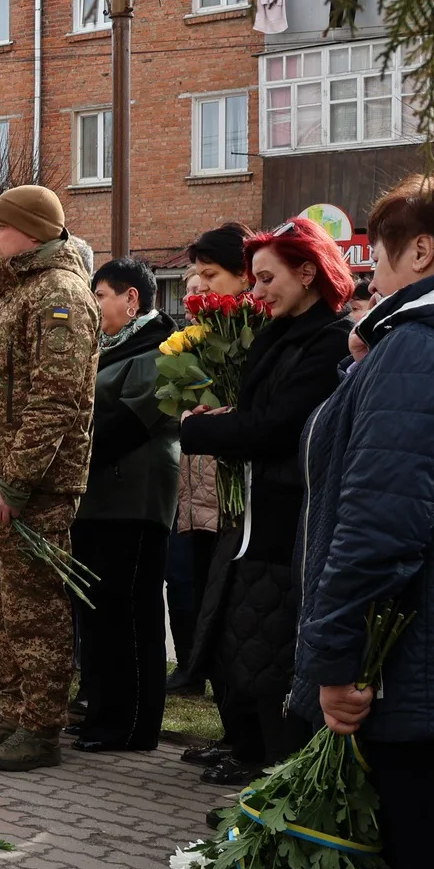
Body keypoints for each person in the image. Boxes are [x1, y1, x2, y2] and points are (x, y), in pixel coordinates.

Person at [293, 169, 434, 869]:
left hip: (420, 674)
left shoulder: (421, 351)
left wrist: (337, 662)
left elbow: (379, 530)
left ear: (422, 250)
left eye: (381, 254)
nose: (369, 272)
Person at [179, 216, 353, 784]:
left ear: (308, 273)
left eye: (266, 279)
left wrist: (202, 432)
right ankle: (251, 748)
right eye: (252, 280)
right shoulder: (281, 333)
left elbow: (278, 428)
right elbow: (260, 416)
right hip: (256, 508)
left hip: (285, 516)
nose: (256, 293)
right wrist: (228, 419)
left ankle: (272, 761)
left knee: (268, 644)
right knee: (242, 638)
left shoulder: (327, 339)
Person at [0, 185, 99, 772]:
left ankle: (40, 726)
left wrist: (14, 483)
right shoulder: (11, 295)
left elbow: (53, 401)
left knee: (33, 608)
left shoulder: (59, 295)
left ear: (32, 231)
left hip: (35, 489)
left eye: (0, 227)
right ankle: (13, 708)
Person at [68, 258, 180, 752]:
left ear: (131, 299)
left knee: (129, 614)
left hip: (134, 501)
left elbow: (130, 425)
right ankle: (103, 712)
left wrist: (65, 449)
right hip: (97, 500)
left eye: (100, 297)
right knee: (97, 613)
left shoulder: (160, 350)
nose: (94, 308)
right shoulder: (109, 348)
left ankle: (133, 726)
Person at [166, 226, 249, 700]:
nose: (199, 292)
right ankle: (199, 673)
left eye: (210, 278)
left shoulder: (249, 333)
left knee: (229, 598)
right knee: (190, 584)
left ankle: (238, 718)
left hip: (234, 492)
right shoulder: (196, 339)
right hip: (196, 486)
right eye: (194, 282)